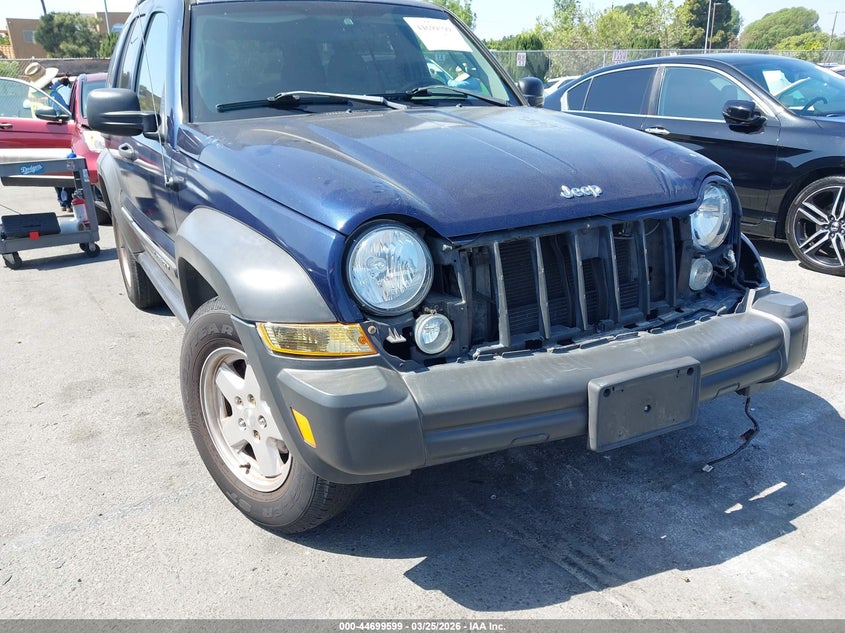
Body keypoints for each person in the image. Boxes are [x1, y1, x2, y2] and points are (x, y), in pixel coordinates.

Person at [23, 63, 74, 212]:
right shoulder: (53, 95)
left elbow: (46, 89)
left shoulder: (31, 93)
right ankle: (68, 201)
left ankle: (62, 201)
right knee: (66, 167)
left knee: (53, 168)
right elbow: (65, 113)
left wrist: (59, 82)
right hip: (57, 134)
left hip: (40, 135)